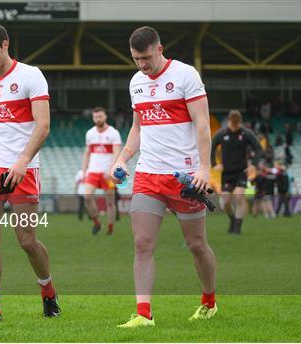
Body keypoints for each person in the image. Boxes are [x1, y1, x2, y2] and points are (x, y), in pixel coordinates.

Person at [110, 26, 217, 328]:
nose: (141, 65)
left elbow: (202, 124)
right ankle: (144, 314)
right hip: (148, 176)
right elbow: (138, 127)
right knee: (142, 243)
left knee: (197, 244)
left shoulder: (186, 75)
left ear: (159, 49)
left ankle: (209, 300)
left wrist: (204, 169)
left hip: (185, 179)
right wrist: (122, 158)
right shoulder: (136, 82)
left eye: (145, 58)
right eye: (135, 59)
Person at [0, 20, 60, 323]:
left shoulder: (31, 76)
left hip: (24, 168)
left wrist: (22, 160)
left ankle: (47, 290)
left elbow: (43, 126)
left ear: (5, 44)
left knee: (27, 240)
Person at [211, 110, 262, 234]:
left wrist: (254, 165)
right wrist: (214, 164)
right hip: (227, 173)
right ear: (228, 122)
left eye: (236, 124)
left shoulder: (246, 133)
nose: (234, 127)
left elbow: (258, 148)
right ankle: (233, 220)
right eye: (232, 124)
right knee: (226, 202)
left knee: (239, 197)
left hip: (241, 171)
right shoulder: (222, 134)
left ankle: (238, 228)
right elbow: (211, 147)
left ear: (240, 122)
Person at [82, 107, 122, 235]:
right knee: (87, 197)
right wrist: (84, 170)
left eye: (100, 116)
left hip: (108, 174)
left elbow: (117, 152)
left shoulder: (113, 133)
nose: (97, 119)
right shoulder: (90, 133)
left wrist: (111, 170)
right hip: (93, 171)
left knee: (110, 202)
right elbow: (87, 153)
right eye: (95, 117)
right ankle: (96, 222)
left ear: (105, 116)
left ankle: (110, 227)